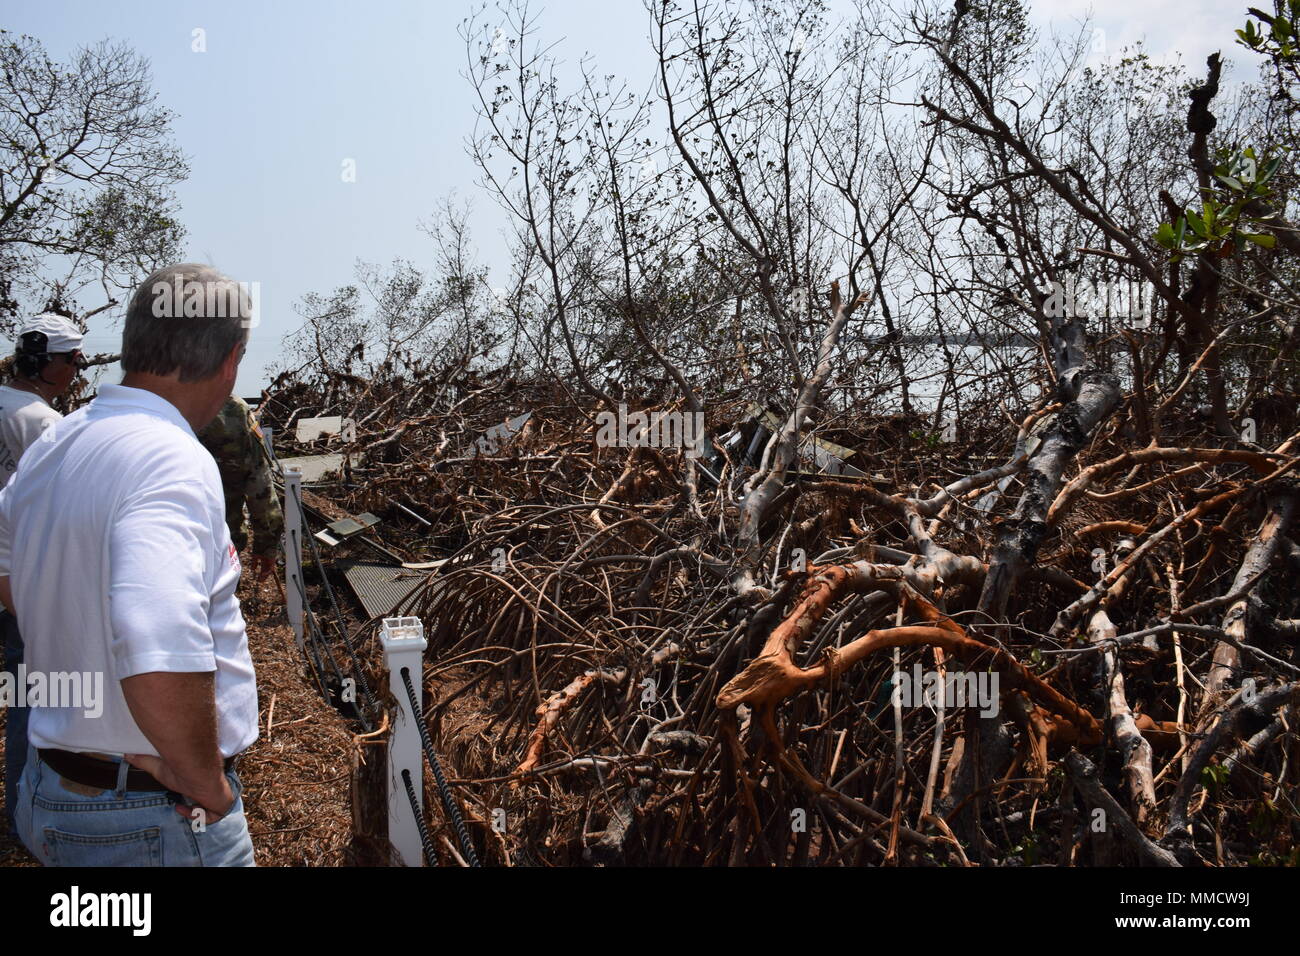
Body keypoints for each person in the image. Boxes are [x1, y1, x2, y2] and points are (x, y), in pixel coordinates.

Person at [0, 263, 260, 866]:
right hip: (151, 815)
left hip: (52, 790)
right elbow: (157, 642)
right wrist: (206, 787)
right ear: (231, 360)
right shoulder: (170, 458)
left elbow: (10, 569)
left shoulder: (57, 443)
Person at [0, 313, 85, 836]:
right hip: (22, 586)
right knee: (32, 702)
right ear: (46, 363)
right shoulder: (42, 424)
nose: (77, 368)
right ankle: (27, 814)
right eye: (71, 359)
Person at [197, 395, 283, 582]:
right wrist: (266, 543)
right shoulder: (231, 408)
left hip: (141, 554)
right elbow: (259, 484)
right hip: (218, 550)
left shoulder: (125, 410)